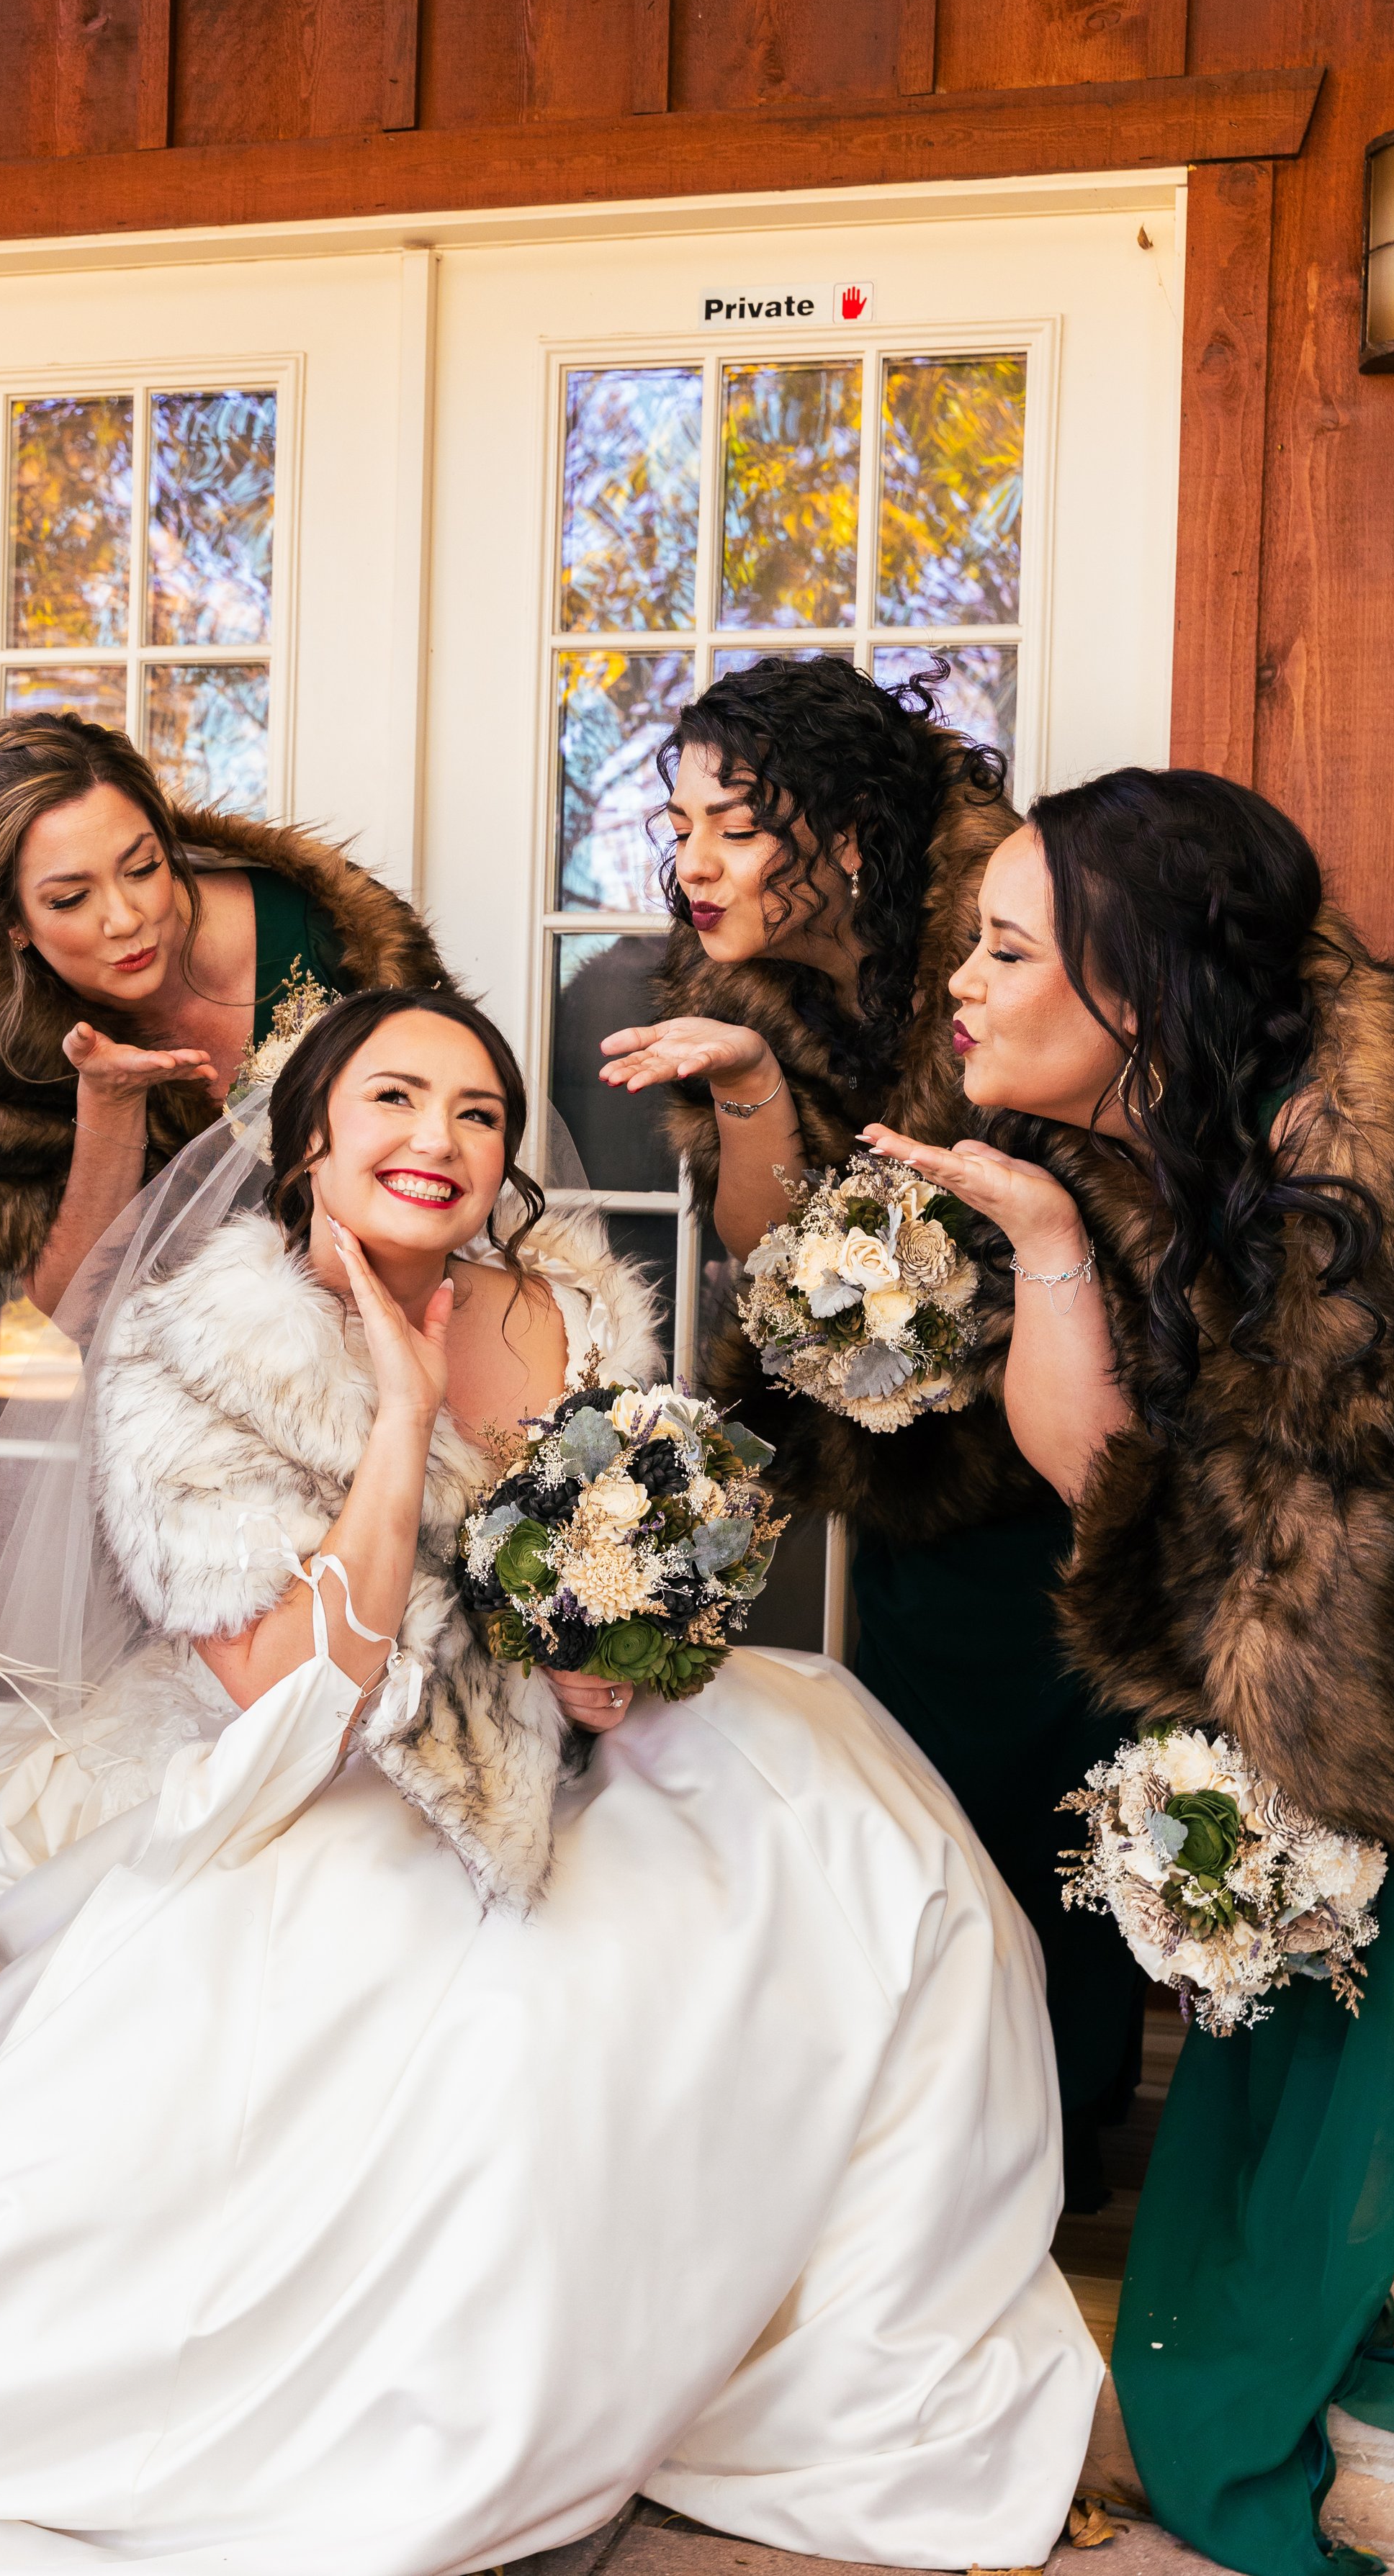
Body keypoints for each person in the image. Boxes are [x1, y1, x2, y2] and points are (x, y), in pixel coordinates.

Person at [0, 986, 1097, 2576]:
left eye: (476, 1114)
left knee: (866, 1832)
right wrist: (397, 1411)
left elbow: (624, 1555)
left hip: (577, 1742)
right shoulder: (201, 1351)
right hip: (339, 1777)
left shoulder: (567, 1303)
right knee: (527, 2035)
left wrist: (620, 1650)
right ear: (309, 1133)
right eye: (393, 1099)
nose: (437, 1142)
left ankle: (834, 2320)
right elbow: (295, 1695)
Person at [866, 765, 1394, 2576]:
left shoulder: (1361, 1165)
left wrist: (1296, 1760)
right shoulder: (1136, 1142)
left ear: (1134, 981)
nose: (964, 976)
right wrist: (1040, 1243)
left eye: (1007, 946)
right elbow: (1100, 1480)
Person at [598, 654, 1147, 2208]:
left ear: (841, 834)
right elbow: (777, 1265)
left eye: (734, 823)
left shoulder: (1007, 936)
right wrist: (759, 1084)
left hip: (1073, 1425)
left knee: (1072, 1786)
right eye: (679, 820)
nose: (690, 860)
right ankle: (945, 2127)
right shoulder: (730, 991)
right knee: (927, 1795)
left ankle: (1061, 2121)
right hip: (907, 1465)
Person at [0, 711, 449, 1313]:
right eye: (70, 898)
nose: (125, 918)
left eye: (142, 869)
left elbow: (461, 1130)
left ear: (170, 848)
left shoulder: (337, 935)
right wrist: (109, 1105)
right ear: (13, 925)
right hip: (186, 1381)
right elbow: (74, 1305)